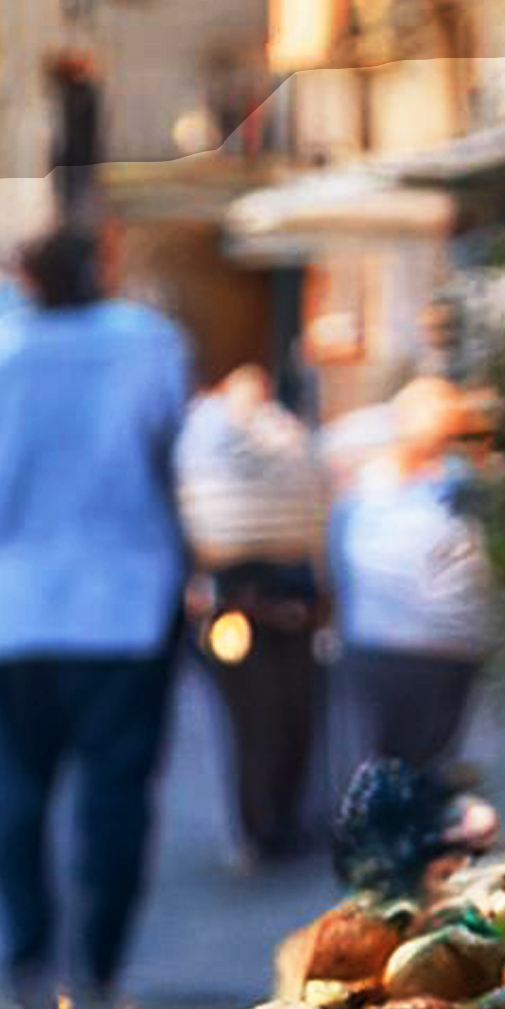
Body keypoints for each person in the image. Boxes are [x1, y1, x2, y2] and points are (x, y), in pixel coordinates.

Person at [0, 225, 194, 1009]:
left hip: (6, 608)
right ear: (103, 266)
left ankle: (27, 956)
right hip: (123, 603)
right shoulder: (152, 346)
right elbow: (178, 463)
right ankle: (98, 959)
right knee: (116, 794)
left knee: (13, 794)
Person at [172, 356, 329, 862]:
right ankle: (261, 827)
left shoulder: (281, 432)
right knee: (257, 716)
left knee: (294, 711)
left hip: (289, 596)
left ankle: (282, 819)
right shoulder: (208, 430)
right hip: (233, 600)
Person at [329, 373, 497, 782]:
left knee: (429, 769)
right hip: (382, 646)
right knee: (382, 772)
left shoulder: (460, 482)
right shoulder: (372, 483)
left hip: (450, 647)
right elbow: (337, 555)